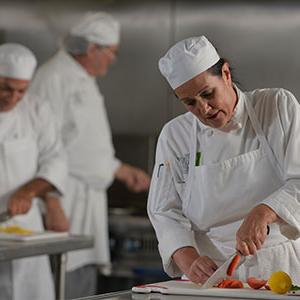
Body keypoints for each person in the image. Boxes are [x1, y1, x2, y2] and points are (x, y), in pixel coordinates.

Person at [147, 35, 300, 285]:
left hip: (281, 268)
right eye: (190, 103)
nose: (204, 109)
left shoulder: (276, 106)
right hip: (212, 276)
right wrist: (187, 258)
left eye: (208, 94)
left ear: (226, 74)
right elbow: (163, 210)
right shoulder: (175, 136)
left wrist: (265, 211)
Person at [29, 12, 150, 298]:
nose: (113, 59)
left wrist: (119, 169)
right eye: (111, 52)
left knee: (80, 283)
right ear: (92, 48)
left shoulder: (81, 78)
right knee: (61, 283)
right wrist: (53, 201)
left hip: (85, 203)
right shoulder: (53, 78)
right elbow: (41, 148)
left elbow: (81, 144)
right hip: (63, 204)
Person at [0, 43, 67, 300]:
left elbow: (55, 159)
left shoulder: (37, 109)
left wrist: (29, 192)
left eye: (21, 90)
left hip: (24, 227)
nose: (14, 97)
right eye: (6, 87)